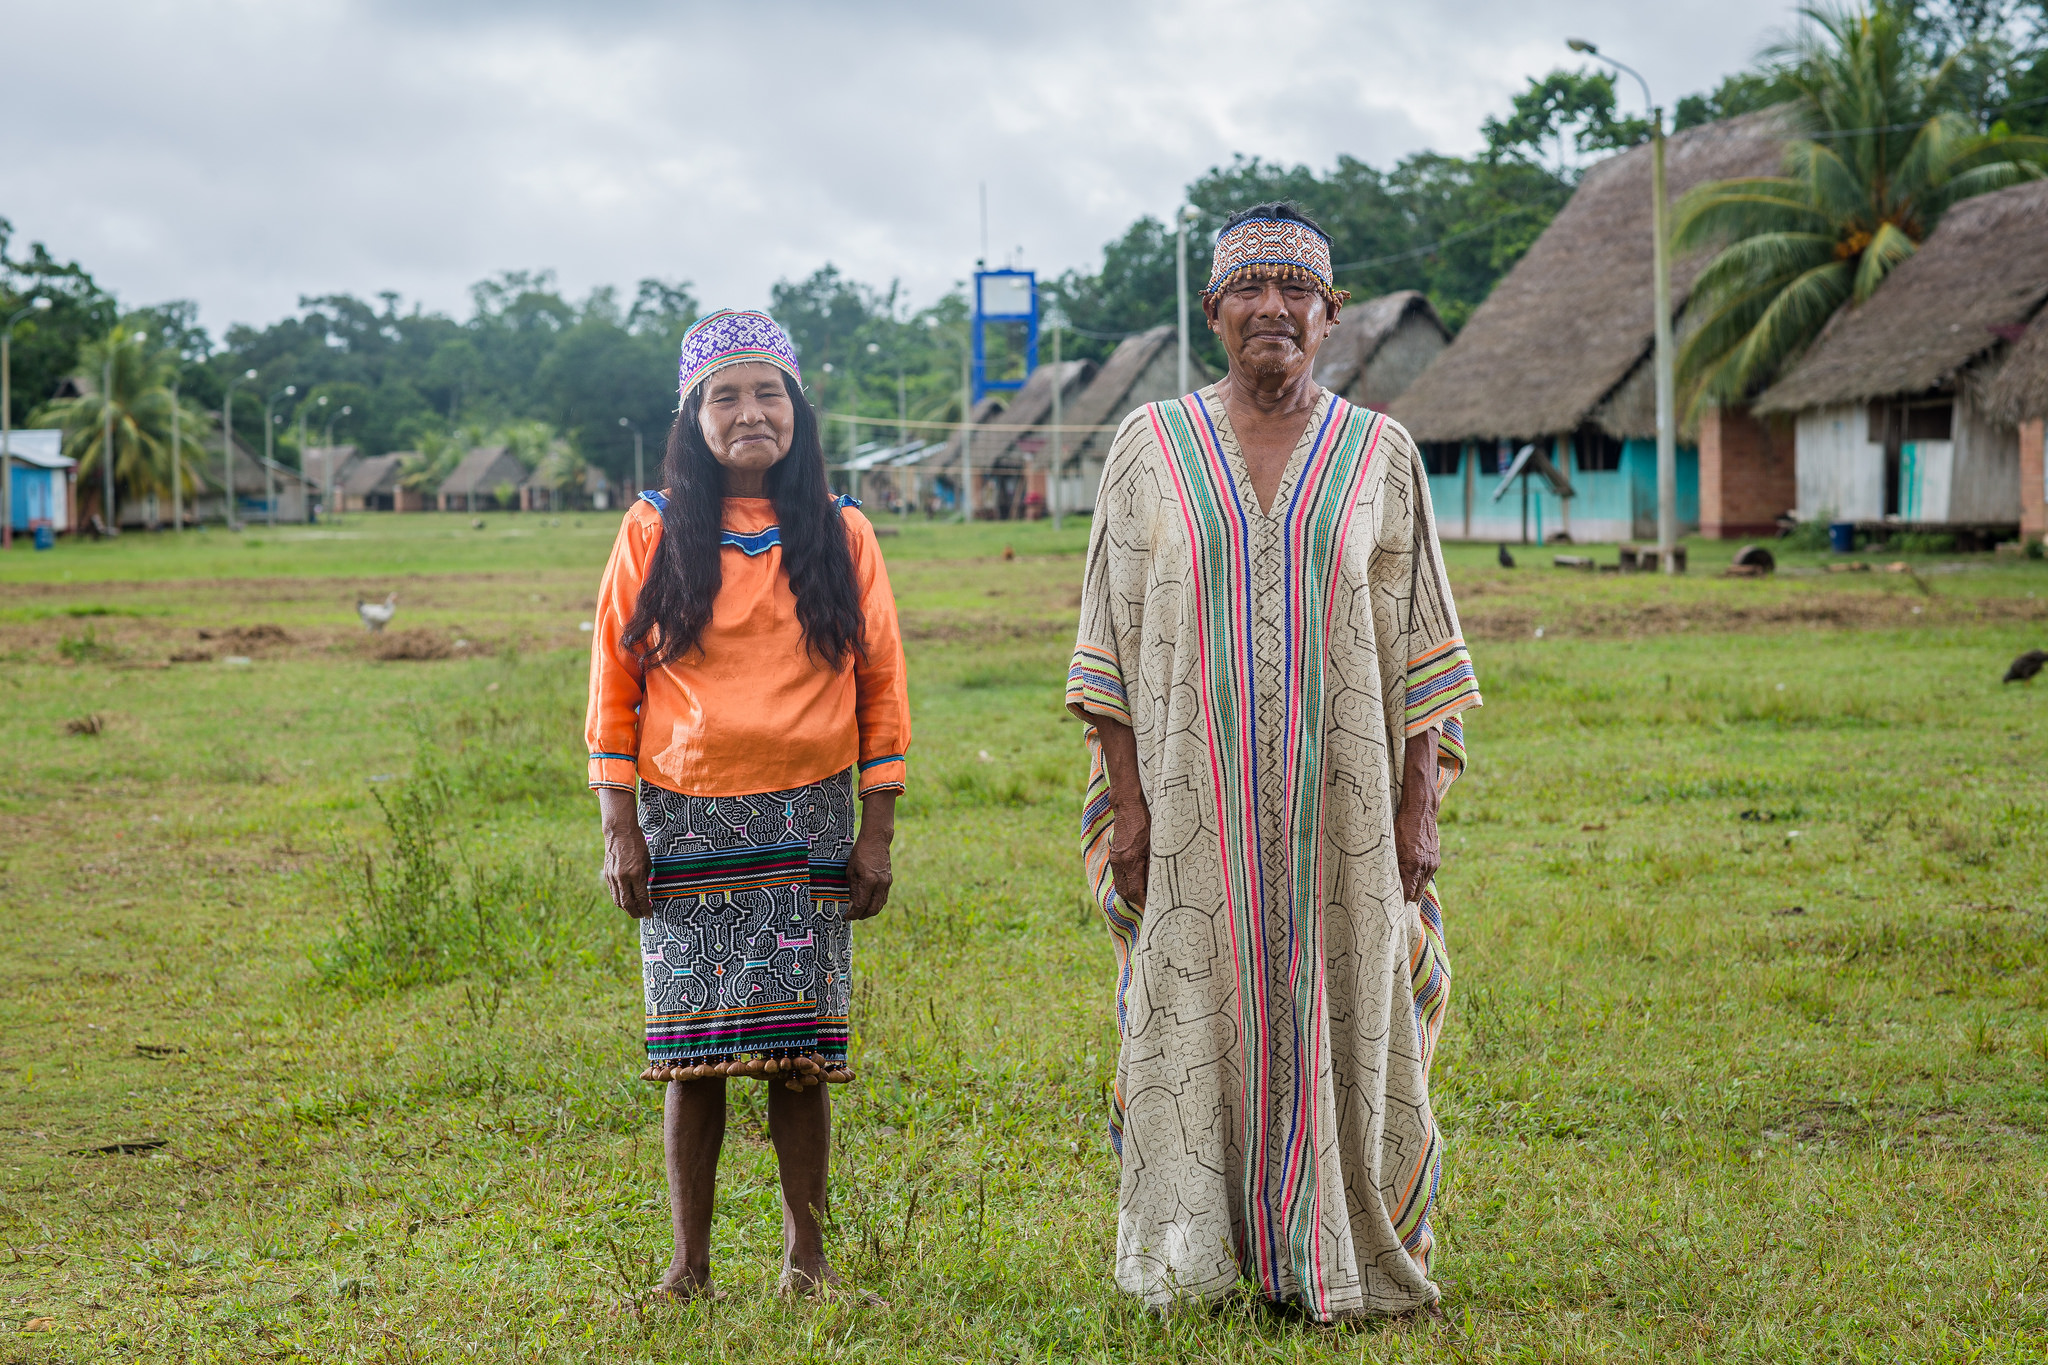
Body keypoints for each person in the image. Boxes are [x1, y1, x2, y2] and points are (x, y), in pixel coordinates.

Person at [1067, 204, 1482, 1322]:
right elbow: (1104, 641)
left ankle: (1340, 1255)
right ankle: (1194, 1260)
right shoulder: (1148, 448)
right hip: (1189, 811)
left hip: (1343, 815)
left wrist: (1416, 810)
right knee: (1191, 1015)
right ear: (1213, 311)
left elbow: (1418, 645)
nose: (1272, 307)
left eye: (1295, 288)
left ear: (1330, 314)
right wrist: (1130, 807)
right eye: (1248, 286)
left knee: (1347, 1010)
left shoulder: (1377, 454)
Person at [586, 309, 909, 1303]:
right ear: (693, 417)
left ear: (797, 410)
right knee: (691, 1058)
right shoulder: (649, 528)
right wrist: (619, 826)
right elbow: (613, 684)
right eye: (724, 395)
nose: (749, 411)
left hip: (808, 823)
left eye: (767, 392)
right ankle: (687, 1269)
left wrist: (877, 832)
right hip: (684, 823)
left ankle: (804, 1268)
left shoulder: (841, 530)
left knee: (798, 1058)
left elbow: (881, 685)